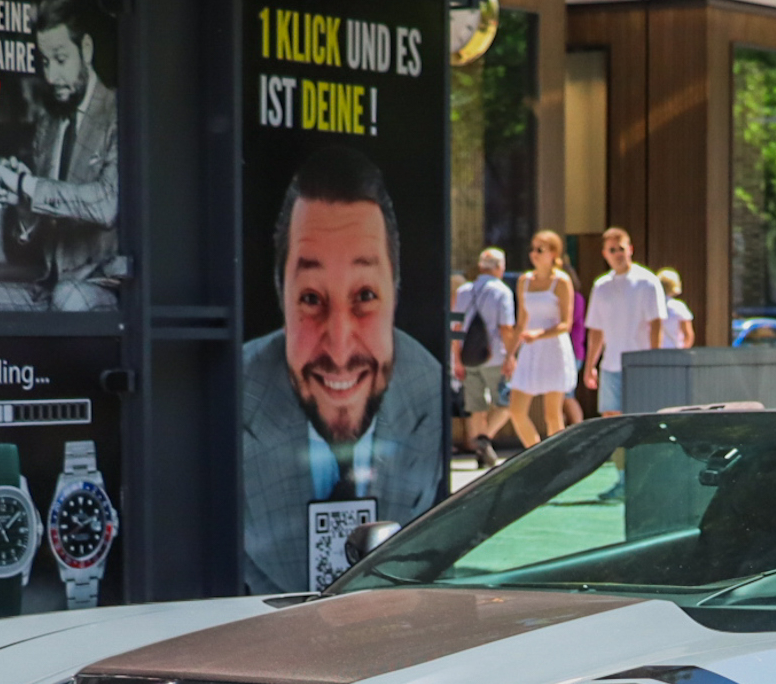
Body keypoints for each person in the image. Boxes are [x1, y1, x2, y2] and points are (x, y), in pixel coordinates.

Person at [239, 146, 443, 594]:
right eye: (311, 298)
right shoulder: (232, 399)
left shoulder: (426, 388)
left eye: (365, 296)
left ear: (396, 292)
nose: (339, 345)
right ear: (281, 297)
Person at [0, 0, 120, 310]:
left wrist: (28, 186)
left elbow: (107, 204)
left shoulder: (117, 111)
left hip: (99, 287)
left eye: (61, 60)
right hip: (48, 289)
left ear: (87, 50)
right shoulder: (48, 125)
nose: (51, 76)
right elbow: (29, 235)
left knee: (69, 299)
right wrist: (21, 202)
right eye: (45, 62)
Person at [506, 231, 578, 451]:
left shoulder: (561, 281)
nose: (534, 254)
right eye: (532, 249)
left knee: (552, 413)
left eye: (540, 250)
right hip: (530, 349)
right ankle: (536, 454)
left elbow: (566, 323)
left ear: (553, 253)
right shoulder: (524, 281)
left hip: (553, 348)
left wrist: (539, 334)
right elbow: (521, 322)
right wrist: (509, 355)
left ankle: (559, 460)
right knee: (516, 411)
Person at [583, 227, 667, 416]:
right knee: (610, 418)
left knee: (639, 416)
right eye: (612, 250)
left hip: (639, 364)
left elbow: (656, 324)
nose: (617, 254)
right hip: (610, 364)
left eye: (620, 248)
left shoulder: (647, 281)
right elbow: (596, 330)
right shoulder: (601, 286)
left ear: (630, 249)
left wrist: (654, 360)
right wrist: (590, 366)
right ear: (605, 254)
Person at [452, 247, 515, 470]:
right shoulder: (502, 292)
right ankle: (484, 439)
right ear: (500, 267)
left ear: (480, 267)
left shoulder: (463, 291)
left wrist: (456, 359)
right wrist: (511, 356)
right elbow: (506, 328)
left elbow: (456, 328)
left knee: (476, 406)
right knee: (508, 403)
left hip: (468, 357)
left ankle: (481, 451)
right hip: (495, 356)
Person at [661, 268, 698, 348]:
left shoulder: (652, 305)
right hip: (675, 352)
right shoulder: (678, 307)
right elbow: (688, 335)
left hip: (653, 353)